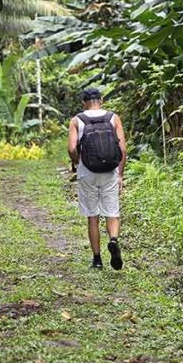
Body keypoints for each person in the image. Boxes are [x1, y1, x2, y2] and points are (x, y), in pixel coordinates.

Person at [67, 87, 127, 270]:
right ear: (101, 100)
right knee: (112, 212)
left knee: (93, 216)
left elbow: (71, 149)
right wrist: (120, 175)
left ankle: (97, 260)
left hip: (88, 172)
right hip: (110, 171)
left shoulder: (77, 120)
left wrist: (79, 163)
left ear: (83, 102)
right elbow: (123, 150)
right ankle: (114, 240)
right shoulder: (113, 118)